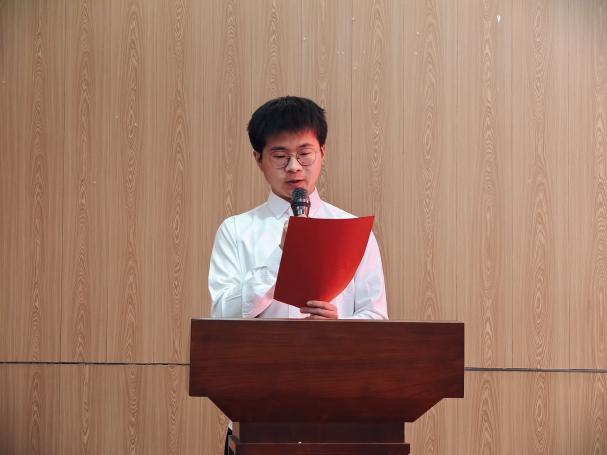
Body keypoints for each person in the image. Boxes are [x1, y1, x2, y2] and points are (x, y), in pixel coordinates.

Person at [209, 96, 388, 321]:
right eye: (280, 156)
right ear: (258, 158)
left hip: (332, 346)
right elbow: (222, 315)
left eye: (304, 154)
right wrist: (281, 256)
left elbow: (375, 316)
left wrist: (339, 328)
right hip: (262, 346)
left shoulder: (354, 231)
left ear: (322, 152)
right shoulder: (235, 231)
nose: (293, 167)